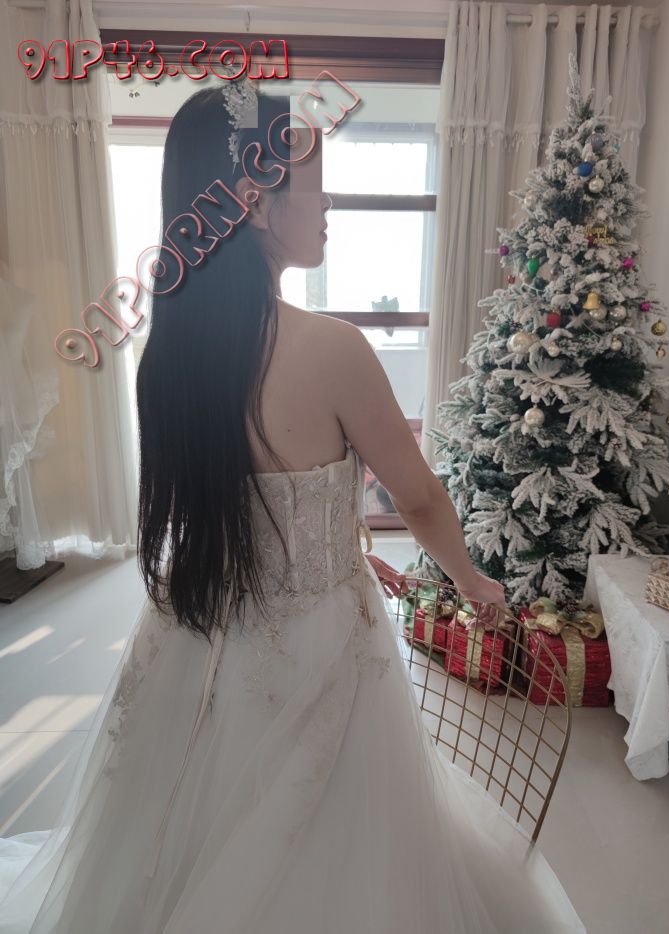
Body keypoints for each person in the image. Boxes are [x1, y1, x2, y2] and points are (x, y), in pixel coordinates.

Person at [0, 81, 585, 933]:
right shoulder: (332, 348)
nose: (328, 202)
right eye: (314, 184)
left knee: (176, 835)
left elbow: (230, 504)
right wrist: (472, 583)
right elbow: (420, 497)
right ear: (254, 201)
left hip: (195, 630)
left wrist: (340, 543)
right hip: (323, 646)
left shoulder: (167, 356)